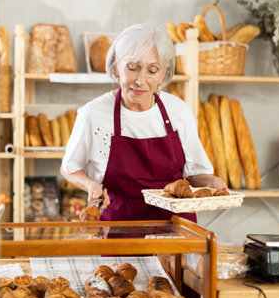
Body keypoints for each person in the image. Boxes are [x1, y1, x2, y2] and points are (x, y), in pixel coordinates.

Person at [60, 22, 226, 224]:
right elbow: (69, 168)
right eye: (132, 67)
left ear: (163, 73)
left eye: (152, 70)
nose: (141, 80)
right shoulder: (93, 113)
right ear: (116, 65)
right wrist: (89, 185)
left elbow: (195, 174)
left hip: (176, 229)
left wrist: (212, 182)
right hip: (119, 229)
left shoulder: (178, 111)